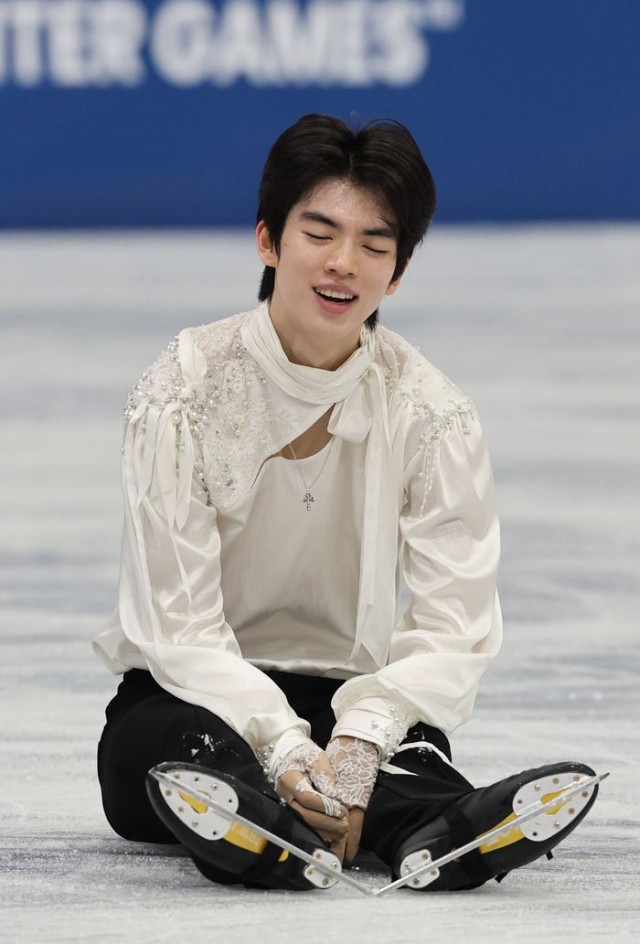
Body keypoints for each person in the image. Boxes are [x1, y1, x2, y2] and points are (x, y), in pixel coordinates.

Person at [93, 113, 598, 893]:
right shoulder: (183, 390)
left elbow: (452, 622)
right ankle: (264, 815)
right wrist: (284, 747)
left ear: (397, 272)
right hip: (189, 694)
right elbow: (177, 626)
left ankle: (430, 826)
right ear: (268, 241)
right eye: (320, 233)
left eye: (373, 244)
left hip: (351, 700)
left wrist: (358, 743)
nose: (343, 263)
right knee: (182, 751)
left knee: (405, 761)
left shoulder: (432, 413)